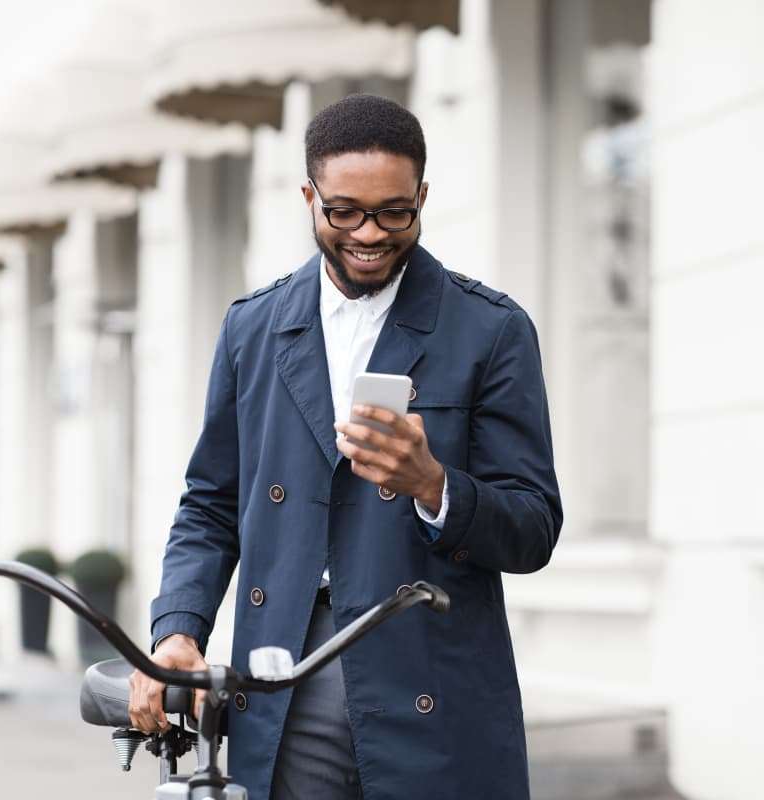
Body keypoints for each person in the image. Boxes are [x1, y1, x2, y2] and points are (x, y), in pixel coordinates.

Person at [129, 94, 563, 800]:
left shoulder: (491, 330)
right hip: (287, 670)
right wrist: (177, 630)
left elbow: (534, 530)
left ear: (422, 197)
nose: (370, 233)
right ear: (309, 197)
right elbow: (211, 505)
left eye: (395, 212)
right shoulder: (254, 328)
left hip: (430, 672)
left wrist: (435, 485)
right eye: (345, 211)